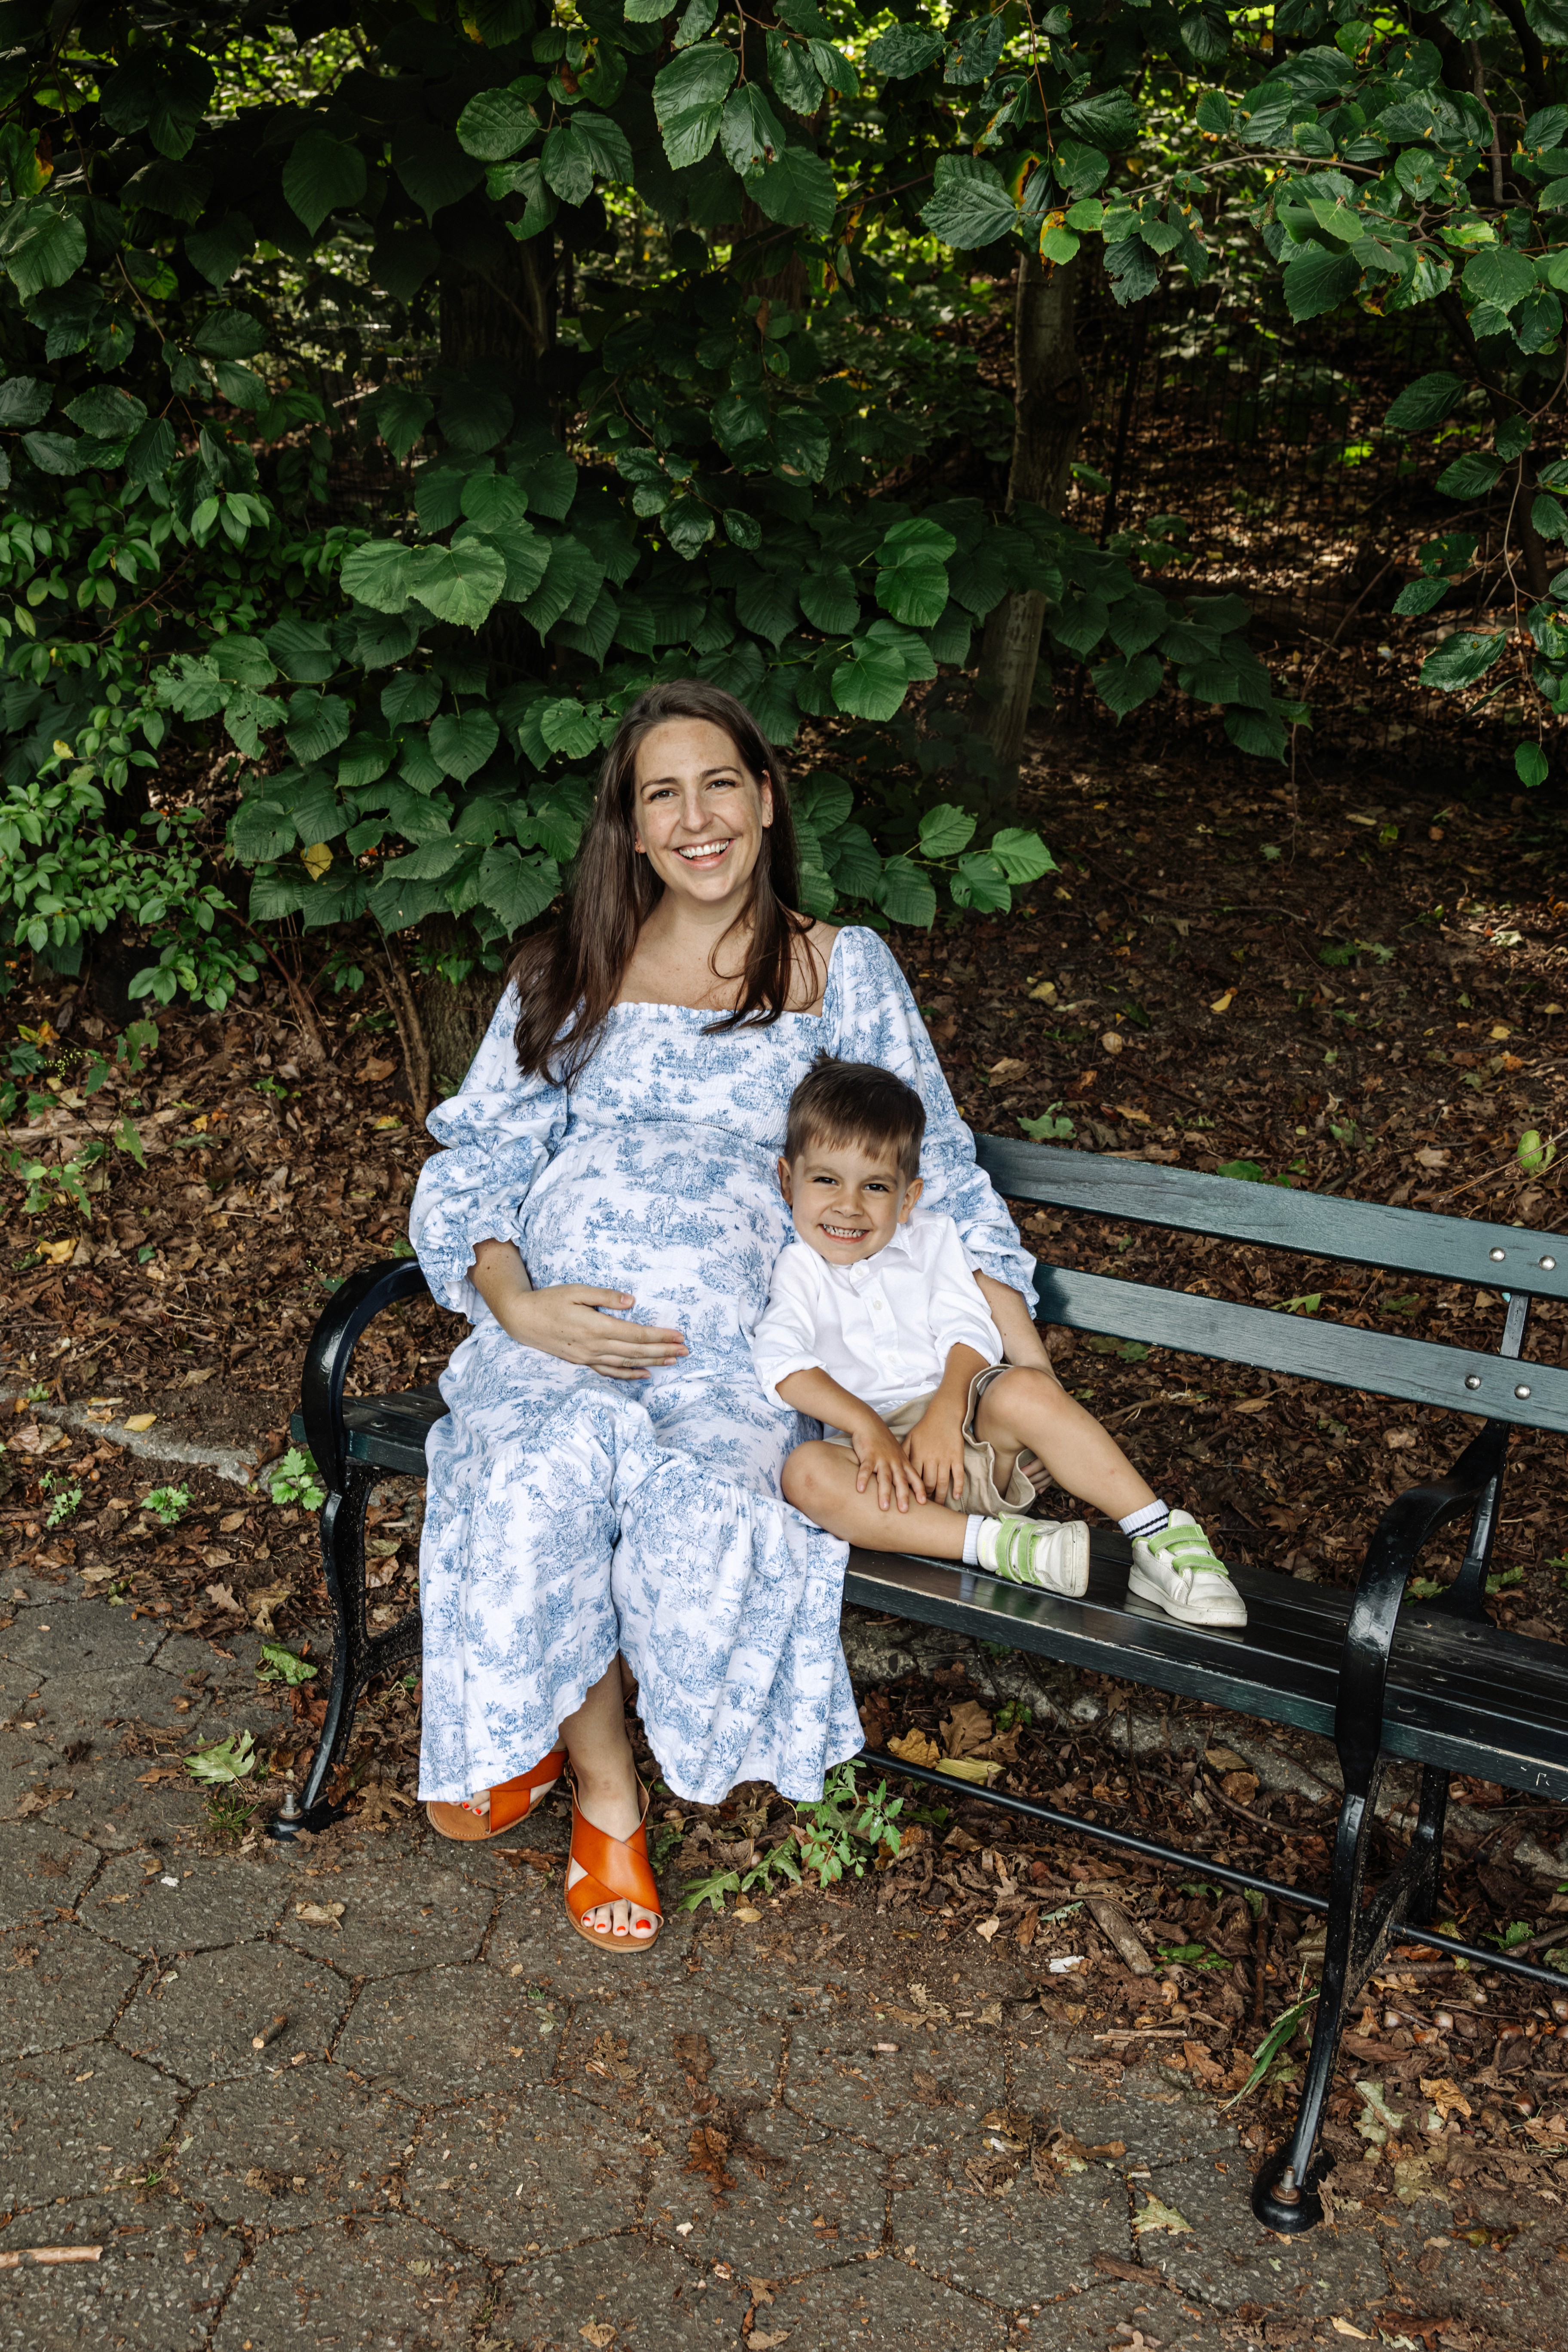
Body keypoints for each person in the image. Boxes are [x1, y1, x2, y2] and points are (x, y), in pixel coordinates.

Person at [407, 679, 1043, 1952]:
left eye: (718, 786)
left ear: (763, 801)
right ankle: (603, 1797)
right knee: (537, 1468)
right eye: (661, 795)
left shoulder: (839, 969)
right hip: (560, 1336)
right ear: (630, 831)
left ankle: (554, 1728)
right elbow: (475, 1160)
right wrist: (518, 1306)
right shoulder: (567, 970)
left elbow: (941, 1171)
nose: (696, 818)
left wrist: (1002, 1357)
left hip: (741, 1352)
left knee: (695, 1502)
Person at [753, 1056, 1246, 1628]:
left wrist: (946, 1411)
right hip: (882, 1473)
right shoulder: (800, 1269)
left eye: (876, 1187)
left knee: (1026, 1392)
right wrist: (866, 1428)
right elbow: (784, 1362)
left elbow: (972, 1327)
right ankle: (1007, 1546)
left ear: (908, 1199)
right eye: (826, 1180)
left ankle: (1159, 1538)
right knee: (806, 1474)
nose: (849, 1206)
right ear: (788, 1181)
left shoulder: (931, 1239)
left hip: (966, 1432)